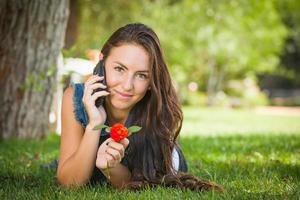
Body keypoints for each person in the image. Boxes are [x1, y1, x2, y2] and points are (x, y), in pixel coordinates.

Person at [57, 23, 222, 191]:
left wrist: (110, 167)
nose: (128, 86)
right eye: (119, 69)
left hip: (159, 164)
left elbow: (141, 183)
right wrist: (94, 124)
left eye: (142, 75)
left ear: (151, 82)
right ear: (102, 62)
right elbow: (70, 183)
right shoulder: (75, 98)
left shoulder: (156, 109)